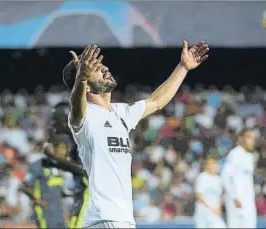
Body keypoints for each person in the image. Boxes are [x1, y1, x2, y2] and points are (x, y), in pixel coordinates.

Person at [63, 41, 209, 228]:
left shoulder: (121, 113)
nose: (105, 69)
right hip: (105, 217)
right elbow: (76, 106)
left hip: (120, 219)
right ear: (87, 86)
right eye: (97, 69)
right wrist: (81, 79)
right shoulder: (84, 116)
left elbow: (157, 101)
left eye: (102, 65)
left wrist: (183, 67)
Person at [49, 102, 89, 228]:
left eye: (56, 120)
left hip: (87, 193)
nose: (54, 125)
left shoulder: (80, 138)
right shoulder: (75, 137)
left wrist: (54, 158)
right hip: (84, 192)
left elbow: (84, 170)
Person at [221, 128, 257, 228]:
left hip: (248, 201)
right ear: (241, 138)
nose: (252, 141)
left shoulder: (250, 156)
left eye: (253, 138)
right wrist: (234, 197)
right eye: (249, 137)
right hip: (237, 201)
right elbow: (225, 176)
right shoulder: (235, 153)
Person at [194, 156, 226, 228]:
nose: (214, 166)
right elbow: (199, 196)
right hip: (203, 212)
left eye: (215, 164)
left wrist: (219, 208)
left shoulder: (218, 179)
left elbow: (221, 195)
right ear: (207, 166)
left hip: (215, 212)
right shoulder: (202, 177)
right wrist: (211, 209)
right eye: (211, 164)